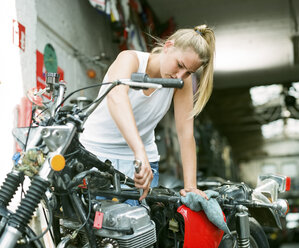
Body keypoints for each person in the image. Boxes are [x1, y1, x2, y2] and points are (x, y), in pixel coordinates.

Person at [79, 24, 215, 203]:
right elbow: (116, 97)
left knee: (136, 226)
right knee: (88, 225)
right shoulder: (131, 60)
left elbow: (185, 133)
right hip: (95, 154)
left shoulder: (182, 82)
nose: (180, 76)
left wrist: (191, 186)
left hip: (141, 165)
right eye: (179, 65)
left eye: (188, 72)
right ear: (168, 47)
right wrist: (139, 150)